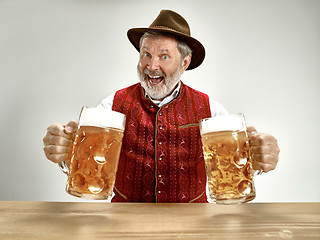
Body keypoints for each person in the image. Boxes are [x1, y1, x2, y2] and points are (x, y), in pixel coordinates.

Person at [43, 10, 280, 203]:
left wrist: (259, 159)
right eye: (146, 54)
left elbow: (237, 165)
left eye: (164, 56)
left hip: (194, 225)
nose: (152, 66)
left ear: (185, 62)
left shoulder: (211, 110)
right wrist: (64, 152)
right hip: (124, 223)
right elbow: (84, 157)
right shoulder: (111, 106)